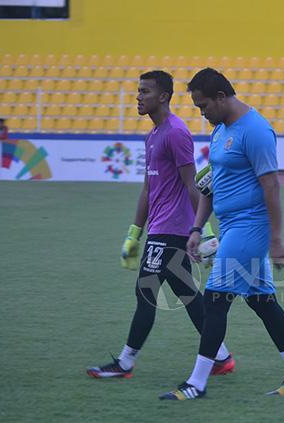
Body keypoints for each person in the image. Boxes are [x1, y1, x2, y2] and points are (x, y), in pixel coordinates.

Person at [158, 68, 284, 401]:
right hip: (230, 227)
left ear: (221, 97)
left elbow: (271, 186)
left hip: (250, 226)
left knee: (214, 300)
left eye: (204, 106)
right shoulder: (221, 129)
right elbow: (210, 185)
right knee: (262, 301)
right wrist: (197, 227)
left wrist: (276, 238)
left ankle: (197, 383)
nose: (202, 113)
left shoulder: (256, 130)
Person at [87, 70, 235, 379]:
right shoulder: (153, 136)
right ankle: (221, 356)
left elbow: (193, 185)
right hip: (159, 229)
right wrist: (133, 234)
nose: (138, 96)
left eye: (145, 91)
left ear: (164, 96)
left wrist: (204, 231)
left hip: (173, 230)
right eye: (138, 91)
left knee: (146, 294)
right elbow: (147, 189)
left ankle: (125, 362)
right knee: (189, 295)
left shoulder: (176, 132)